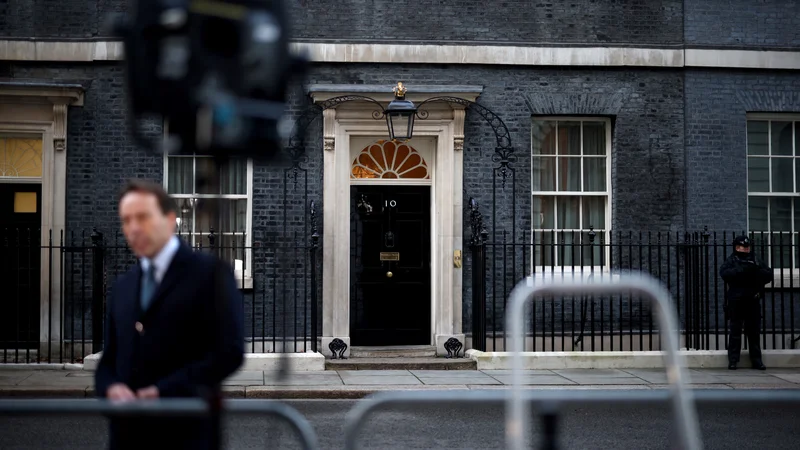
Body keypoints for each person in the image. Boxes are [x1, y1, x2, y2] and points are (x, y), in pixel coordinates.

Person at [95, 179, 244, 449]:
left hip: (186, 433)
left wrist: (163, 391)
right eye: (126, 220)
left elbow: (229, 352)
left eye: (143, 217)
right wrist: (110, 388)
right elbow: (108, 361)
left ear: (170, 218)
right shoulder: (123, 286)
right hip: (127, 437)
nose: (134, 228)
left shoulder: (210, 274)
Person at [719, 235, 771, 371]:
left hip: (752, 300)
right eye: (741, 247)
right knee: (735, 331)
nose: (744, 249)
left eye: (746, 247)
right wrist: (741, 271)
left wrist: (756, 272)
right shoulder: (732, 260)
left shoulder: (755, 259)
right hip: (736, 301)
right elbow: (724, 273)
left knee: (754, 332)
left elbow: (768, 275)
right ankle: (733, 360)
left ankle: (757, 360)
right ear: (736, 247)